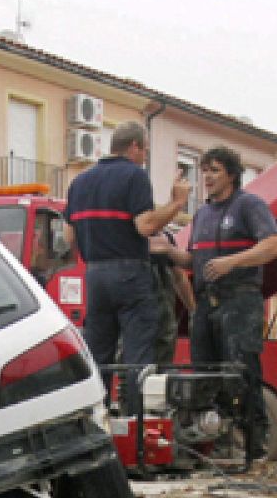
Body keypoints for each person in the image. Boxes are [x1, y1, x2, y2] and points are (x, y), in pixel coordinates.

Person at [166, 145, 277, 456]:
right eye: (204, 170)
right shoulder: (202, 213)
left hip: (240, 300)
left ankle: (255, 449)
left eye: (214, 170)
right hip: (206, 304)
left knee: (242, 373)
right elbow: (195, 260)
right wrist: (165, 252)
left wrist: (232, 262)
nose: (207, 176)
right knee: (205, 375)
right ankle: (217, 445)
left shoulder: (249, 206)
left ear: (231, 175)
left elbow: (275, 245)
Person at [65, 120, 190, 412]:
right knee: (139, 354)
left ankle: (98, 415)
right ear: (134, 147)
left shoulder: (80, 182)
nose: (144, 156)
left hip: (94, 275)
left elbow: (69, 235)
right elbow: (145, 225)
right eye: (145, 150)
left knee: (99, 353)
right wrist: (176, 203)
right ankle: (135, 424)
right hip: (130, 272)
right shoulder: (134, 176)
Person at [148, 228, 193, 367]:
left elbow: (179, 277)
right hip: (137, 318)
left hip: (164, 321)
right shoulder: (127, 233)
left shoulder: (166, 237)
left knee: (163, 361)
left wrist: (193, 309)